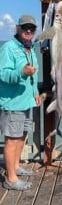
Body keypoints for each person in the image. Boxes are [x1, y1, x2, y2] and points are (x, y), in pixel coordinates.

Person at [0, 14, 41, 190]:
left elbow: (33, 75)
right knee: (12, 139)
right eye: (25, 28)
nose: (29, 31)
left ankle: (15, 166)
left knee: (22, 135)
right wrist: (22, 72)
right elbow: (3, 74)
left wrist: (36, 91)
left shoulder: (30, 49)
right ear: (18, 28)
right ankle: (11, 179)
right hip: (13, 102)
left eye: (32, 28)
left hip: (27, 102)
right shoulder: (9, 48)